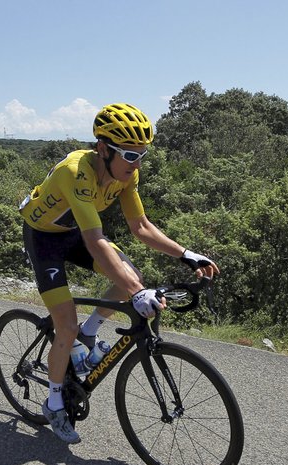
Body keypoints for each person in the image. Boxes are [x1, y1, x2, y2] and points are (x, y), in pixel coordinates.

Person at [18, 103, 219, 444]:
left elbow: (140, 226)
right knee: (66, 323)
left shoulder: (127, 173)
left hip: (75, 233)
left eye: (141, 154)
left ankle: (90, 332)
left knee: (130, 276)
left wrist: (187, 255)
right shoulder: (75, 172)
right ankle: (53, 403)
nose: (137, 163)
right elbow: (96, 241)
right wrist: (138, 291)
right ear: (102, 149)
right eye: (129, 154)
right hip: (44, 239)